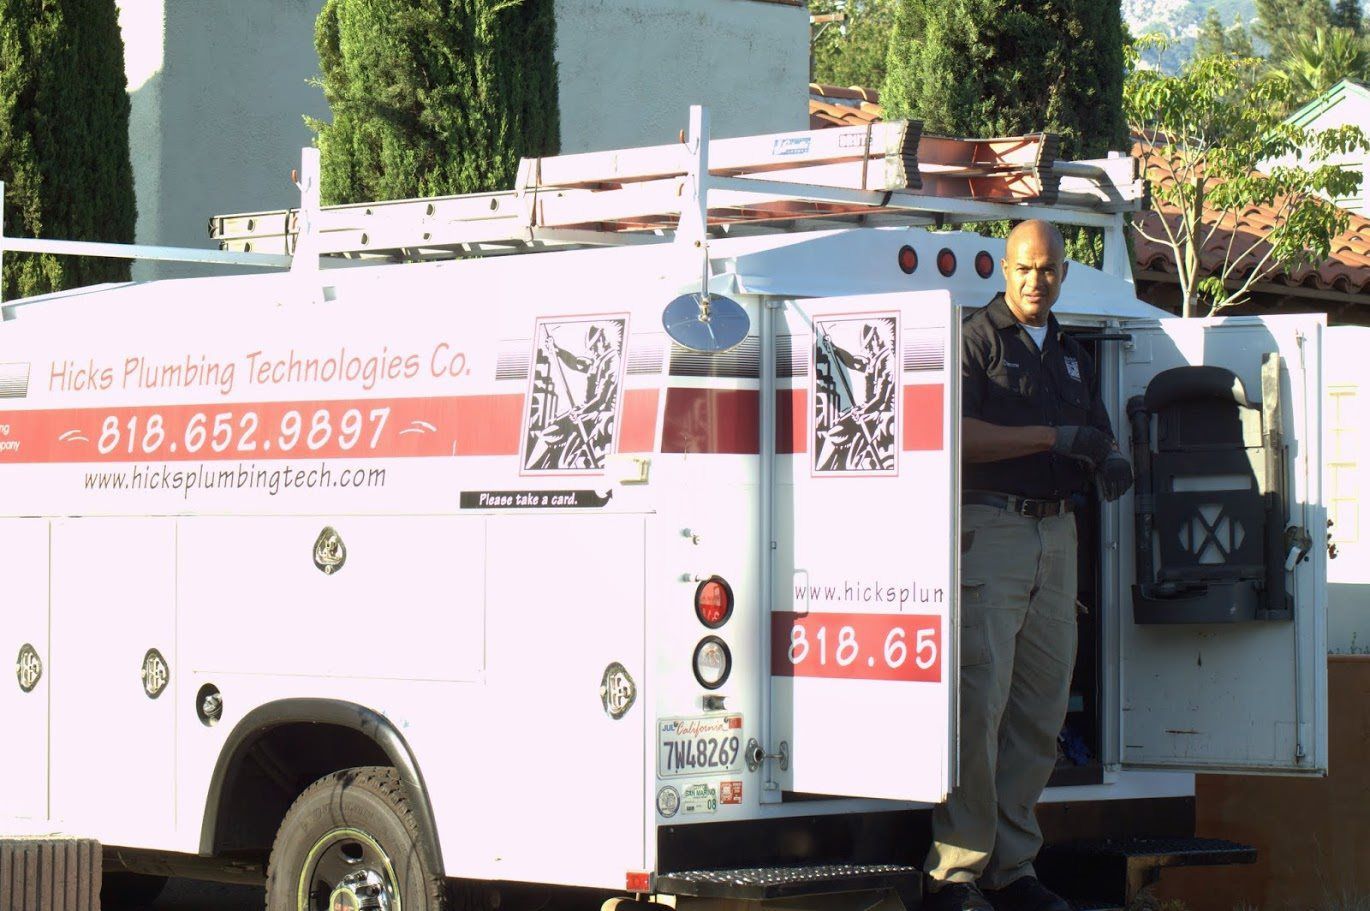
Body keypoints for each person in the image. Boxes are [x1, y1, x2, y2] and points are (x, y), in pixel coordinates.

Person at [924, 220, 1133, 911]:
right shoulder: (977, 339)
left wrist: (1107, 459)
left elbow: (1095, 430)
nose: (1034, 281)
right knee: (979, 704)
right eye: (1023, 268)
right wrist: (1050, 436)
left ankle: (1013, 869)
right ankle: (955, 869)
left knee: (1039, 710)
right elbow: (950, 433)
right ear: (1004, 269)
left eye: (1046, 270)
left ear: (1062, 274)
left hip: (1057, 536)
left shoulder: (1070, 353)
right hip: (992, 529)